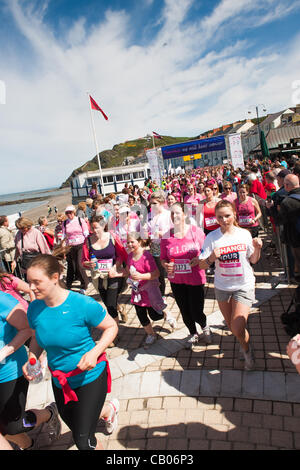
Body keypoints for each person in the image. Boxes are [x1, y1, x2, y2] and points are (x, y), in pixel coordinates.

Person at [23, 254, 120, 450]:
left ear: (54, 277)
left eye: (36, 282)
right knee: (75, 423)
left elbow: (111, 327)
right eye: (29, 282)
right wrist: (32, 358)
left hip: (89, 377)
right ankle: (108, 410)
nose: (31, 288)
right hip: (61, 381)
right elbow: (37, 339)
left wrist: (95, 352)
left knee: (83, 440)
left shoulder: (81, 304)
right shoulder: (34, 309)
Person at [192, 200, 263, 370]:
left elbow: (253, 260)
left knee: (238, 326)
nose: (224, 220)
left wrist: (258, 248)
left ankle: (246, 350)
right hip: (222, 286)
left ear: (234, 215)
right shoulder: (212, 237)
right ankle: (242, 341)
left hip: (243, 284)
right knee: (232, 327)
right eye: (220, 217)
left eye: (227, 216)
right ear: (215, 218)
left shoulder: (244, 234)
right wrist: (211, 258)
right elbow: (201, 265)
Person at [0, 291, 60, 450]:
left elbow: (27, 329)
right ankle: (28, 444)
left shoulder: (2, 299)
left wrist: (3, 352)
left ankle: (49, 413)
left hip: (9, 372)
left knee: (14, 426)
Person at [161, 203, 211, 349]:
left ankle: (204, 326)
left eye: (177, 213)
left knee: (196, 310)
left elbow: (206, 251)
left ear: (184, 215)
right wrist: (165, 265)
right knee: (184, 310)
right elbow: (163, 258)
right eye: (172, 214)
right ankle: (193, 333)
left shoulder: (196, 232)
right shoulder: (166, 236)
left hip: (195, 278)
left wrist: (199, 259)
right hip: (176, 280)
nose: (174, 216)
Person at [126, 233, 176, 349]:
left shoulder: (146, 256)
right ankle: (151, 334)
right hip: (137, 291)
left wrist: (141, 276)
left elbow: (156, 274)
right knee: (140, 314)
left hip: (149, 292)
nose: (129, 244)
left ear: (139, 241)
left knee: (155, 316)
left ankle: (166, 312)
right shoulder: (129, 256)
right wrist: (119, 273)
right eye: (128, 242)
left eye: (132, 242)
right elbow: (128, 271)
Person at [81, 215, 128, 337]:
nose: (94, 231)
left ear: (103, 226)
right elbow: (83, 261)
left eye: (96, 227)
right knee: (108, 303)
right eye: (92, 228)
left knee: (110, 305)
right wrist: (88, 263)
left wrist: (115, 266)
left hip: (113, 274)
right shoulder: (87, 241)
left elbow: (121, 255)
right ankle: (120, 308)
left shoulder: (112, 237)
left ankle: (113, 334)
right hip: (98, 277)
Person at [267, 174, 300, 279]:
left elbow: (278, 221)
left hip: (295, 238)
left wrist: (271, 208)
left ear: (286, 185)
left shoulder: (287, 202)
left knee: (297, 262)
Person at [147, 191, 173, 297]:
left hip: (167, 245)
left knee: (170, 270)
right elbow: (145, 229)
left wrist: (162, 233)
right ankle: (161, 295)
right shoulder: (149, 215)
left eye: (155, 203)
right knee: (158, 272)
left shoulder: (168, 214)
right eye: (151, 203)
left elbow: (173, 230)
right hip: (155, 246)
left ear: (162, 203)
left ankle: (175, 290)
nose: (152, 206)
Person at [61, 205, 90, 295]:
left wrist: (87, 244)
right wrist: (63, 247)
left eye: (70, 212)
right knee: (72, 265)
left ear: (74, 212)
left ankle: (84, 284)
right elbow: (64, 235)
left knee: (79, 265)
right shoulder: (65, 223)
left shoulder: (79, 220)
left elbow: (86, 232)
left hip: (81, 244)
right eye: (67, 213)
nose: (69, 214)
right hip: (70, 246)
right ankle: (74, 282)